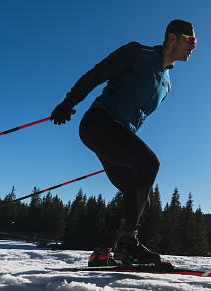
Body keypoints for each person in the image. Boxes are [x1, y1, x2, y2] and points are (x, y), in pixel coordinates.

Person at [50, 20, 196, 267]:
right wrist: (69, 101)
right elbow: (97, 73)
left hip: (117, 134)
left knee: (141, 200)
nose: (193, 47)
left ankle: (103, 253)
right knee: (149, 164)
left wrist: (126, 153)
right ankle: (128, 245)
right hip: (98, 122)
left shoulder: (167, 84)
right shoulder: (137, 52)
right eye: (191, 40)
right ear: (172, 37)